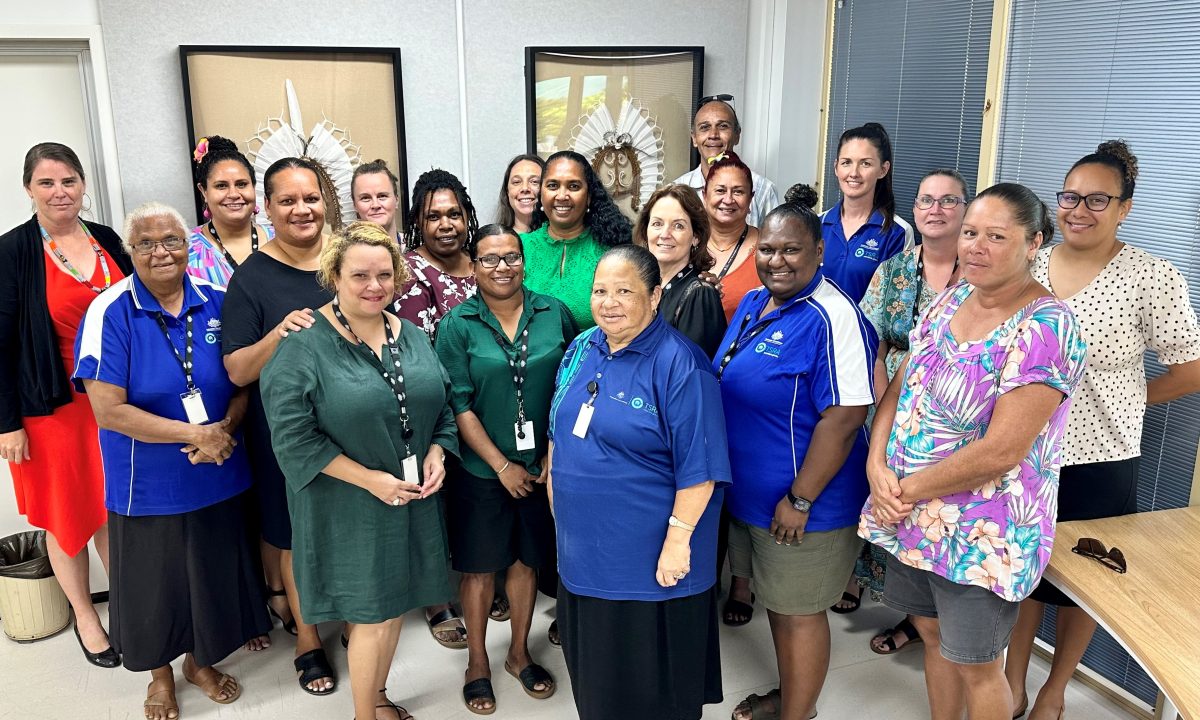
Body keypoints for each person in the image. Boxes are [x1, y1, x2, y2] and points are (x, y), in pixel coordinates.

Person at [859, 183, 1087, 720]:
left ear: (1034, 243)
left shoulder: (1047, 327)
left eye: (995, 236)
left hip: (982, 533)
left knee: (980, 665)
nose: (975, 247)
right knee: (932, 633)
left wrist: (903, 489)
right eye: (970, 234)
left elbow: (1002, 451)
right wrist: (875, 462)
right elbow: (904, 380)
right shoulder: (956, 296)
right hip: (913, 514)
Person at [1005, 141, 1200, 720]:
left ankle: (1055, 689)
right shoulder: (1028, 262)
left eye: (1098, 199)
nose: (1079, 209)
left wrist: (1133, 400)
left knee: (1083, 581)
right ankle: (1012, 681)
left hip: (1102, 455)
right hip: (1021, 449)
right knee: (1019, 570)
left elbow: (1190, 366)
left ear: (1125, 208)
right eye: (1069, 196)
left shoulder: (1150, 277)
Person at [73, 202, 270, 720]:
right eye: (146, 243)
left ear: (189, 247)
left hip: (219, 468)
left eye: (172, 241)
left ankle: (198, 662)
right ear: (130, 251)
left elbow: (242, 379)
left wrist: (224, 429)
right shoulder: (109, 311)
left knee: (207, 575)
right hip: (148, 481)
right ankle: (159, 677)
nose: (161, 252)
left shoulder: (219, 302)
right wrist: (195, 433)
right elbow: (107, 409)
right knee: (154, 586)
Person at [261, 220, 458, 720]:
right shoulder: (303, 345)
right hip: (346, 503)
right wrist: (372, 480)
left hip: (409, 498)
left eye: (384, 275)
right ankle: (365, 716)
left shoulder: (409, 334)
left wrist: (438, 450)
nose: (375, 287)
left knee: (394, 606)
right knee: (372, 615)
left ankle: (376, 697)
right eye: (360, 276)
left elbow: (443, 404)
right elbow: (292, 438)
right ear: (334, 276)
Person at [547, 244, 730, 720]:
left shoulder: (681, 364)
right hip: (584, 554)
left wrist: (678, 542)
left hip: (649, 564)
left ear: (654, 296)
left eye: (624, 291)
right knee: (598, 685)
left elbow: (701, 468)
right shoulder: (582, 346)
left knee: (653, 693)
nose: (608, 302)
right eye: (600, 290)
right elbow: (558, 430)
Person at [718, 202, 878, 720]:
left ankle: (798, 713)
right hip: (754, 495)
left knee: (800, 613)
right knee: (781, 609)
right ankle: (793, 696)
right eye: (767, 248)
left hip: (805, 504)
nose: (777, 260)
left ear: (819, 251)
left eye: (791, 249)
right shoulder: (754, 301)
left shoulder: (836, 318)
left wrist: (800, 497)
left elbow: (845, 418)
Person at [0, 142, 132, 669]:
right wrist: (7, 423)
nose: (60, 192)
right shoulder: (13, 251)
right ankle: (87, 617)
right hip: (50, 407)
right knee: (66, 516)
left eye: (69, 181)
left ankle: (126, 606)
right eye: (47, 183)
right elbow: (1, 343)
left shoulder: (104, 239)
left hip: (113, 401)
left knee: (112, 510)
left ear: (83, 186)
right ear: (29, 189)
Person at [434, 224, 576, 714]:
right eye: (490, 259)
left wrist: (547, 457)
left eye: (511, 257)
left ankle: (518, 653)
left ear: (523, 260)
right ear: (473, 267)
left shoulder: (552, 314)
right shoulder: (457, 325)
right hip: (479, 470)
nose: (502, 267)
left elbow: (569, 387)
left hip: (540, 467)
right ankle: (478, 663)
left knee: (525, 561)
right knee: (478, 570)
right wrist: (500, 466)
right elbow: (458, 405)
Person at [221, 156, 337, 695]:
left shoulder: (348, 257)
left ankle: (356, 616)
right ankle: (309, 639)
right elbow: (238, 367)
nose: (301, 209)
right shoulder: (253, 277)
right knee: (292, 537)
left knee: (345, 528)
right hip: (284, 436)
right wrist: (280, 334)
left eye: (310, 197)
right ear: (267, 209)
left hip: (351, 427)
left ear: (325, 199)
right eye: (287, 201)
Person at [838, 170, 968, 643]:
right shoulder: (892, 270)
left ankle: (930, 621)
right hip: (889, 403)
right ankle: (907, 608)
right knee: (888, 502)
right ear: (914, 210)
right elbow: (870, 342)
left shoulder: (979, 277)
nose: (935, 210)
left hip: (957, 421)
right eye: (926, 201)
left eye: (948, 201)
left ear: (964, 211)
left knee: (936, 512)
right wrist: (879, 408)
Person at [522, 149, 632, 330]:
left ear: (589, 196)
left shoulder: (612, 253)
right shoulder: (519, 248)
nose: (562, 195)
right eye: (552, 186)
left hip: (596, 355)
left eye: (573, 186)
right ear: (541, 193)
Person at [820, 122, 913, 303]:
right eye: (846, 163)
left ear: (883, 170)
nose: (854, 173)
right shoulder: (816, 224)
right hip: (816, 329)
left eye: (865, 164)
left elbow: (895, 305)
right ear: (836, 167)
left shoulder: (898, 233)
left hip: (865, 331)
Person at [633, 183, 727, 356]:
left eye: (678, 226)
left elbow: (692, 373)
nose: (665, 234)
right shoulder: (643, 287)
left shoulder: (699, 295)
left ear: (696, 237)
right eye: (657, 223)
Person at [394, 169, 479, 340]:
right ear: (418, 221)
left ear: (467, 215)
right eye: (433, 217)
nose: (446, 225)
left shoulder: (481, 260)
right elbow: (417, 355)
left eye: (454, 214)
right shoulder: (409, 274)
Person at [671, 94, 780, 226]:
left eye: (723, 126)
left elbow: (775, 242)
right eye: (705, 127)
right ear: (694, 138)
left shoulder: (763, 190)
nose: (713, 135)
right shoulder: (676, 191)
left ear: (737, 135)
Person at [187, 136, 272, 287]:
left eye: (241, 184)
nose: (233, 194)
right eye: (221, 186)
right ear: (204, 191)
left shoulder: (281, 238)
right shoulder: (186, 251)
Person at [701, 152, 762, 324]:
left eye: (738, 192)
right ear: (705, 196)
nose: (728, 200)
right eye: (720, 190)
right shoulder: (687, 244)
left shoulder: (768, 249)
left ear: (750, 199)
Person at [352, 158, 404, 244]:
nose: (375, 205)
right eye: (365, 198)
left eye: (382, 196)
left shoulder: (416, 250)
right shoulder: (347, 254)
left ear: (397, 200)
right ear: (354, 205)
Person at [495, 154, 545, 234]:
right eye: (516, 182)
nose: (525, 188)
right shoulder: (496, 241)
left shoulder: (560, 239)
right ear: (507, 191)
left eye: (534, 181)